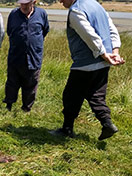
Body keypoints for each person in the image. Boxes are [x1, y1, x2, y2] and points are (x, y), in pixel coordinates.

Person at [51, 0, 125, 140]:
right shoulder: (96, 5)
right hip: (103, 62)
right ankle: (107, 124)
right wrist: (114, 51)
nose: (60, 1)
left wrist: (103, 53)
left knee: (71, 96)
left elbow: (90, 35)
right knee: (96, 95)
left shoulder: (76, 11)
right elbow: (112, 29)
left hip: (86, 64)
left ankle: (67, 129)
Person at [3, 0, 49, 112]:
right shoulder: (13, 14)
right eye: (21, 3)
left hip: (33, 57)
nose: (23, 6)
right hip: (15, 56)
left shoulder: (41, 14)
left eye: (26, 3)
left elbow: (45, 31)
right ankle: (9, 105)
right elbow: (9, 31)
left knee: (31, 83)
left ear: (33, 2)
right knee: (12, 83)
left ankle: (26, 108)